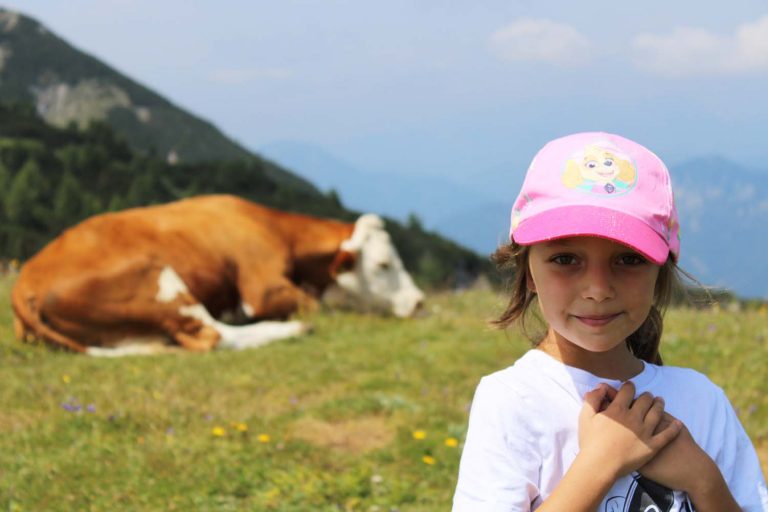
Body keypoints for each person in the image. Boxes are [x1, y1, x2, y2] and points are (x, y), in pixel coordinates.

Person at [452, 132, 768, 511]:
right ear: (528, 273)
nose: (598, 289)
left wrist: (703, 478)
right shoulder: (511, 402)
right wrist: (600, 464)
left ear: (660, 273)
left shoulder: (703, 401)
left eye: (628, 259)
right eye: (566, 259)